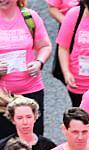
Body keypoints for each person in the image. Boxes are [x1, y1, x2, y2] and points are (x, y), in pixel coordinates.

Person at [0, 0, 51, 135]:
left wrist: (39, 62)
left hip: (31, 90)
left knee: (33, 138)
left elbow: (45, 46)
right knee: (5, 143)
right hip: (2, 96)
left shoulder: (30, 17)